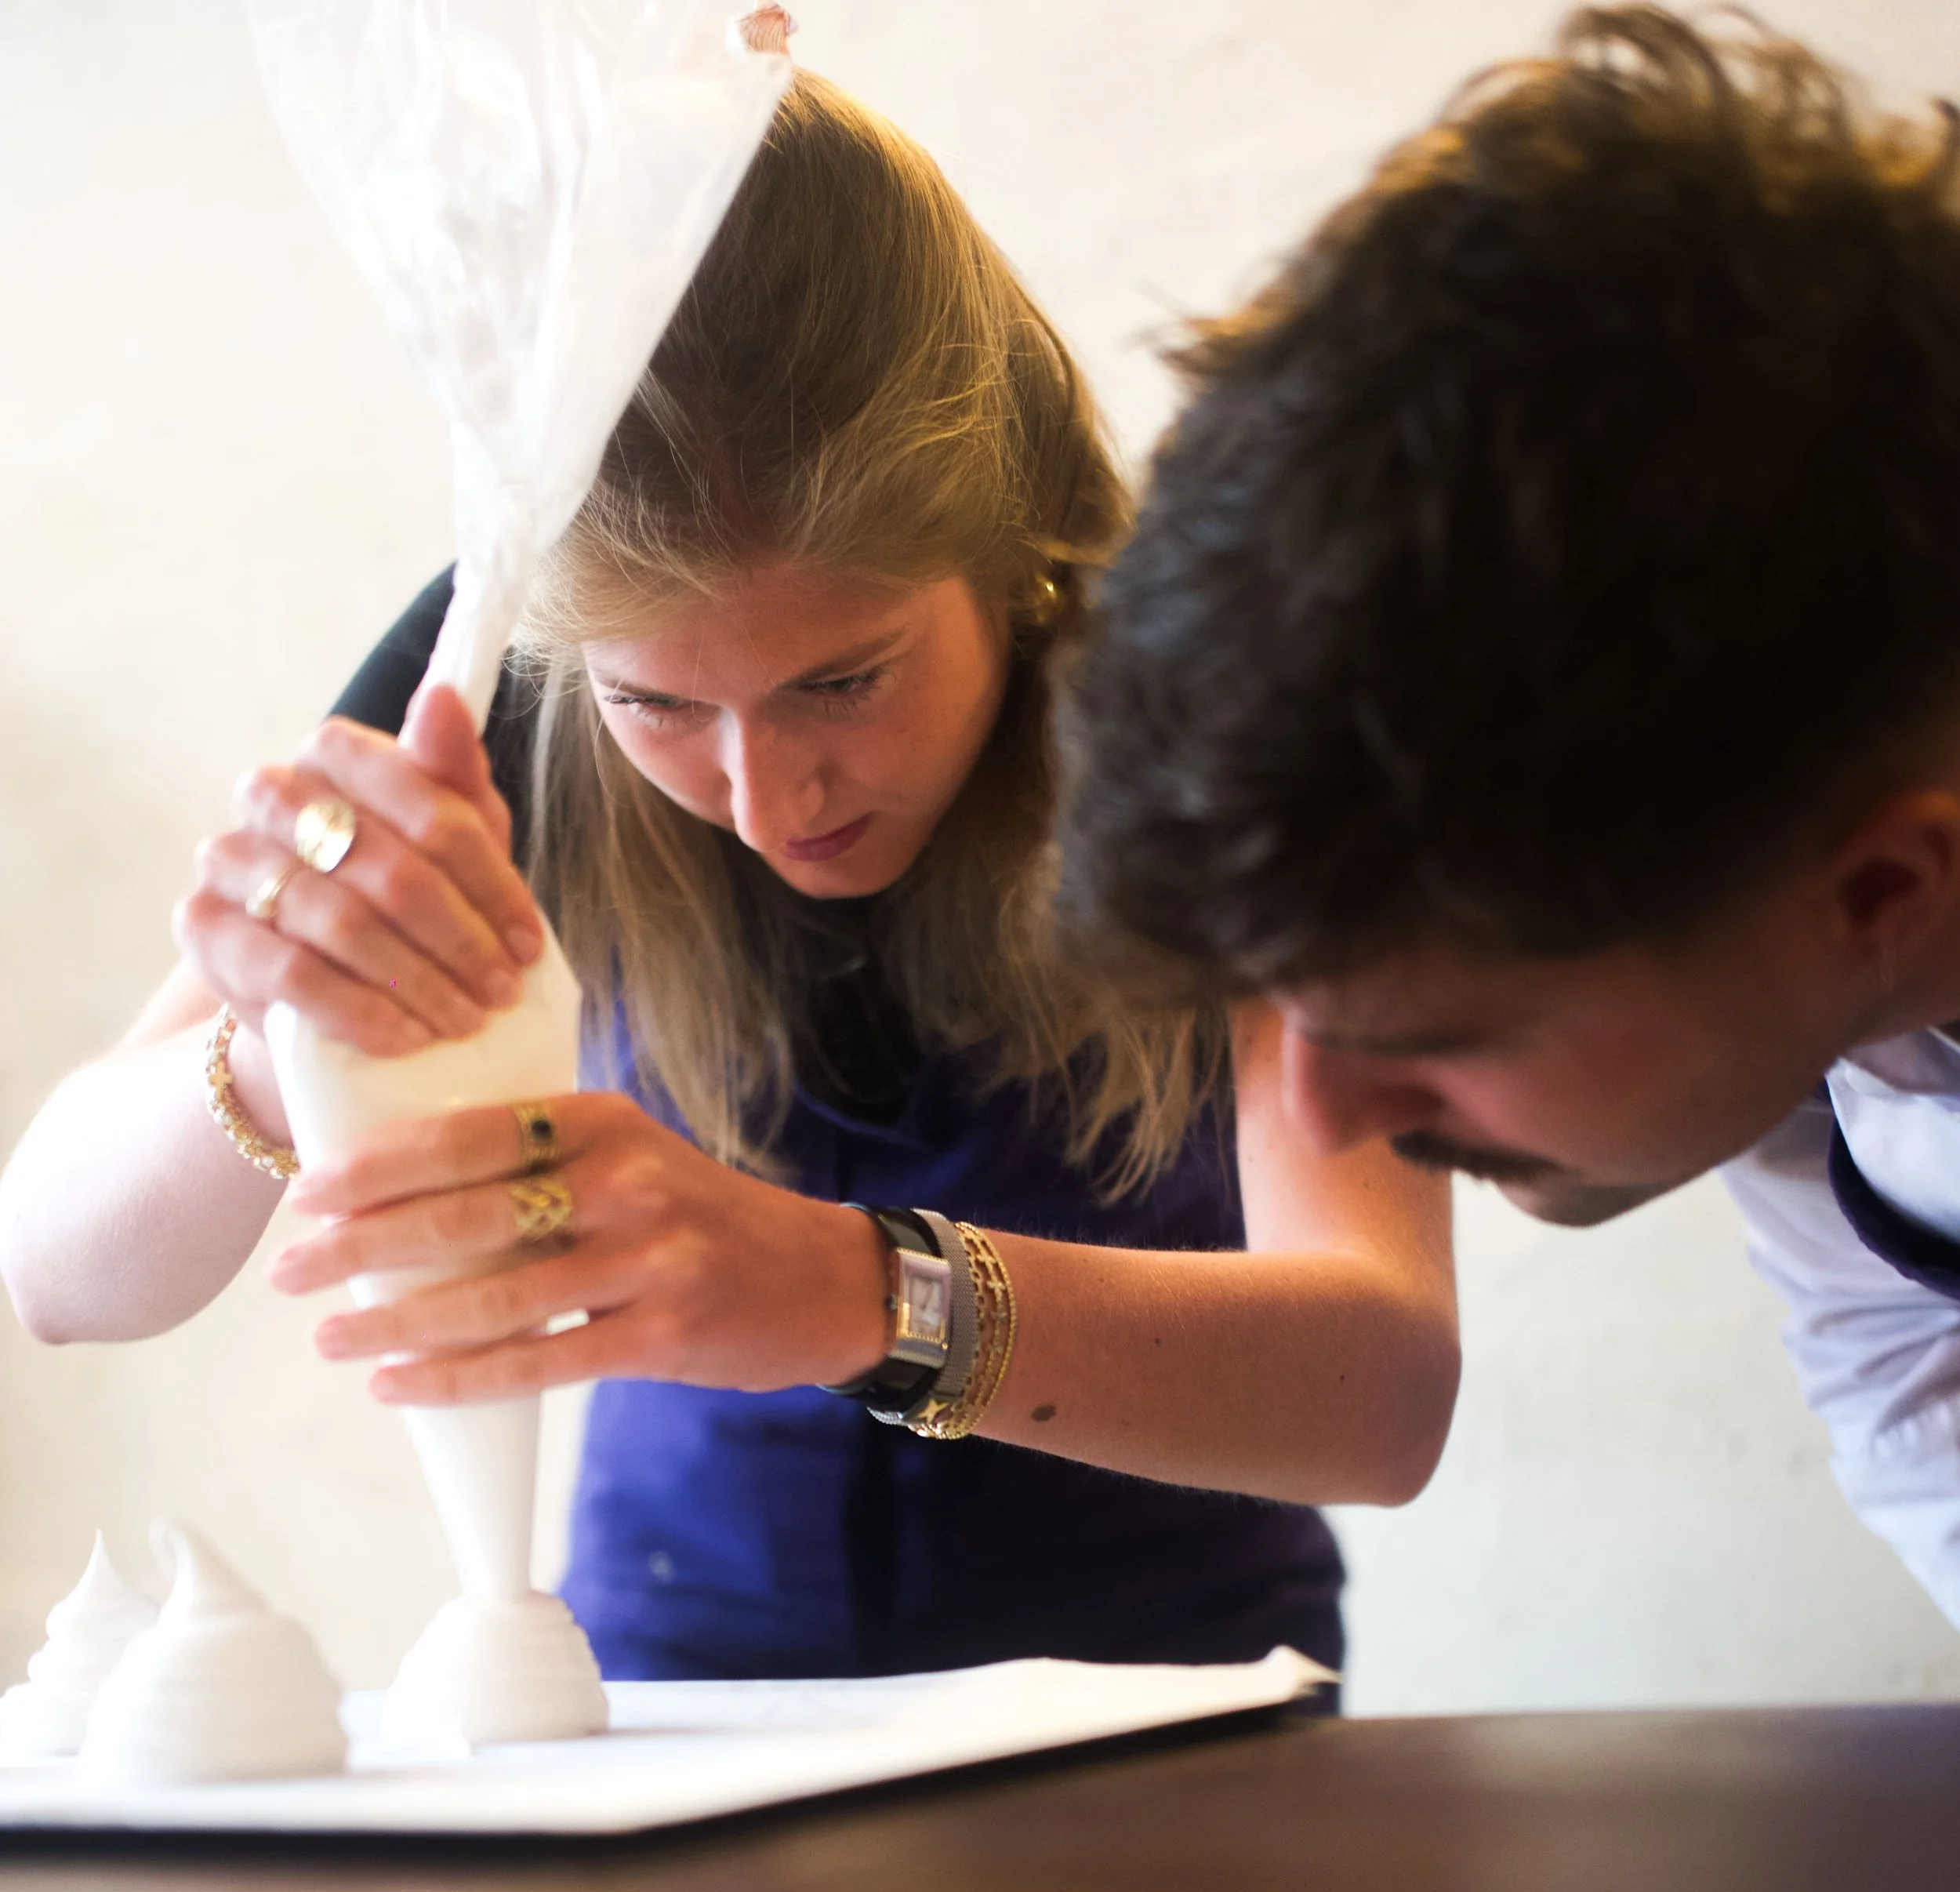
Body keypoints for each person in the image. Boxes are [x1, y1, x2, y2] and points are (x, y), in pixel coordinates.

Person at [0, 71, 1457, 1685]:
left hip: (1173, 1738)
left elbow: (1381, 1387)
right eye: (657, 706)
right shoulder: (490, 687)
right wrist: (289, 1039)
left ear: (1006, 545)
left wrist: (852, 1295)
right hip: (673, 1734)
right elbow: (52, 1274)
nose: (765, 797)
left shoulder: (1206, 682)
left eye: (842, 680)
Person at [1061, 3, 1960, 1626]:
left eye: (1442, 1026)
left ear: (1885, 890)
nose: (1321, 1121)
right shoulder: (1789, 878)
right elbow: (1912, 1365)